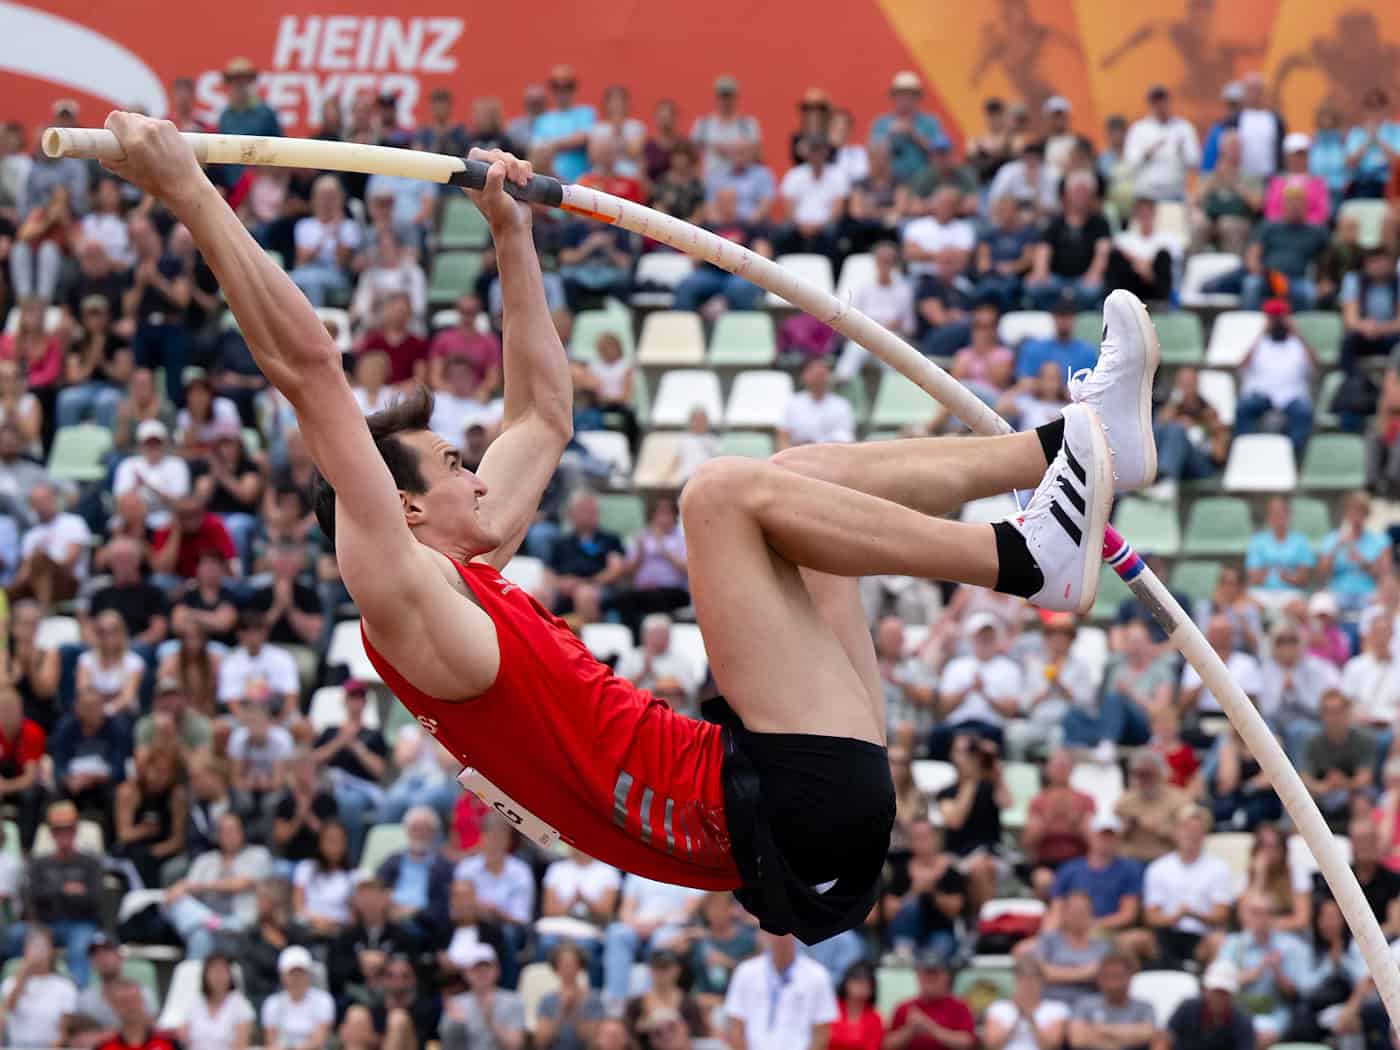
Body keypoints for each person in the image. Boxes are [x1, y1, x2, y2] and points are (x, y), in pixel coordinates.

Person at [109, 119, 1154, 947]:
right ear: (408, 509)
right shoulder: (404, 592)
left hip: (797, 787)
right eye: (455, 467)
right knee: (715, 495)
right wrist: (193, 194)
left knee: (786, 481)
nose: (479, 471)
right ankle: (1020, 560)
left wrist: (512, 240)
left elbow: (543, 419)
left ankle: (1065, 446)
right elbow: (309, 373)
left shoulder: (465, 573)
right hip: (776, 806)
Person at [1142, 805, 1235, 968]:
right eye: (1185, 828)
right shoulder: (1158, 868)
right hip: (1165, 934)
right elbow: (1150, 916)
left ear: (1204, 834)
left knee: (1219, 941)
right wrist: (1174, 917)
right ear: (1176, 832)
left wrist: (1192, 914)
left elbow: (1221, 914)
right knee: (1131, 941)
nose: (1189, 835)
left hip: (1201, 936)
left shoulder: (1218, 868)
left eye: (1195, 830)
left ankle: (1210, 987)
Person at [21, 800, 103, 984]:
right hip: (45, 923)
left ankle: (76, 1001)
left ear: (76, 830)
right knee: (15, 937)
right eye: (58, 829)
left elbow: (94, 900)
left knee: (79, 950)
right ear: (51, 832)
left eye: (69, 828)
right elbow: (32, 897)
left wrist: (52, 892)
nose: (64, 833)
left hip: (81, 923)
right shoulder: (39, 863)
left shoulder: (91, 863)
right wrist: (66, 890)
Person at [1215, 891, 1308, 1045]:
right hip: (1236, 1012)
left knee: (1258, 1037)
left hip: (1271, 1013)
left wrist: (1277, 971)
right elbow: (1217, 983)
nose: (1261, 919)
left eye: (1267, 913)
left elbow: (1295, 993)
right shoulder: (1233, 944)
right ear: (1245, 915)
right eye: (1255, 912)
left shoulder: (1289, 946)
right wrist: (1253, 974)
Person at [724, 932, 836, 1050]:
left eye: (786, 932)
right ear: (762, 935)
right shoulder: (745, 972)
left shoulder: (817, 975)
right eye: (774, 932)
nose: (780, 938)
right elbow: (735, 1025)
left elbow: (821, 1033)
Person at [1234, 300, 1317, 457]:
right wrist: (1262, 332)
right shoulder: (1259, 343)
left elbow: (1315, 365)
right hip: (1262, 395)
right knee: (1244, 408)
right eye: (1273, 318)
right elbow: (1241, 366)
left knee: (1303, 412)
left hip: (1291, 396)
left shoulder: (1297, 343)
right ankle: (1245, 455)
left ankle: (1290, 458)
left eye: (1280, 317)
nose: (1277, 322)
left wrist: (1297, 332)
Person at [113, 747, 186, 888]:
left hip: (163, 849)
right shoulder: (129, 791)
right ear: (146, 769)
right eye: (157, 770)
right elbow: (123, 835)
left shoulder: (176, 796)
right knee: (137, 858)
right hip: (134, 847)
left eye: (166, 772)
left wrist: (158, 850)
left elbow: (178, 839)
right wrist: (144, 830)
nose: (161, 777)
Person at [0, 926, 78, 1050]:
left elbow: (64, 1032)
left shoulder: (65, 986)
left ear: (52, 951)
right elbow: (9, 1008)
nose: (38, 952)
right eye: (33, 947)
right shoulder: (10, 983)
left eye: (43, 947)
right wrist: (24, 974)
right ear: (25, 951)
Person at [440, 942, 526, 1050]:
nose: (481, 973)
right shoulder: (456, 1003)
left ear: (497, 970)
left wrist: (490, 1020)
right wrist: (456, 1026)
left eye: (486, 968)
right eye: (476, 969)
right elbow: (447, 1046)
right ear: (466, 973)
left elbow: (515, 1046)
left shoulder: (513, 1000)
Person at [885, 951, 975, 1050]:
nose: (931, 978)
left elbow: (967, 1043)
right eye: (927, 973)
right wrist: (910, 1030)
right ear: (918, 975)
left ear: (946, 975)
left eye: (935, 973)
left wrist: (930, 1028)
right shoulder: (904, 1007)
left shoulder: (959, 1006)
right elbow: (888, 1045)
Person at [1158, 960, 1255, 1050]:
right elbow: (1165, 1037)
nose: (1218, 998)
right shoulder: (1187, 1008)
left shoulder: (1242, 1021)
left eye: (1224, 993)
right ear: (1205, 990)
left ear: (1231, 995)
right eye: (1215, 992)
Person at [1068, 953, 1155, 1050]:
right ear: (1099, 978)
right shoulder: (1084, 1004)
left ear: (1130, 977)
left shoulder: (1144, 1007)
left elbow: (1148, 1034)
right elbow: (1078, 1040)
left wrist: (1099, 1029)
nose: (1112, 983)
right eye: (1106, 976)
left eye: (1117, 976)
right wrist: (1130, 1035)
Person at [76, 935, 160, 1032]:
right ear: (90, 962)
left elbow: (154, 1027)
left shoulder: (143, 992)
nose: (102, 957)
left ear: (119, 956)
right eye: (95, 954)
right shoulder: (85, 998)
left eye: (107, 951)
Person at [984, 957, 1071, 1050]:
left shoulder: (1057, 1008)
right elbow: (992, 1045)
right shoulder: (998, 1007)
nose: (1028, 986)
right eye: (1023, 980)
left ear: (1041, 981)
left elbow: (1050, 1046)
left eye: (1033, 980)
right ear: (1016, 981)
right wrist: (1017, 1017)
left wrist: (1030, 1018)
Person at [261, 945, 335, 1050]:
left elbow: (319, 1039)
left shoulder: (324, 1000)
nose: (297, 977)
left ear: (309, 974)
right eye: (292, 973)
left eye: (301, 972)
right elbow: (271, 1041)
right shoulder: (272, 1003)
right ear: (282, 975)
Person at [180, 952, 255, 1050]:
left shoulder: (240, 1004)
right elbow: (183, 1037)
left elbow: (240, 1046)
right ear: (205, 975)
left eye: (223, 971)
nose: (218, 976)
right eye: (214, 971)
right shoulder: (194, 1002)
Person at [828, 961, 883, 1050]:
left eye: (867, 983)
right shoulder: (830, 1008)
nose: (861, 987)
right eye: (857, 981)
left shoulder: (875, 1019)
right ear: (846, 983)